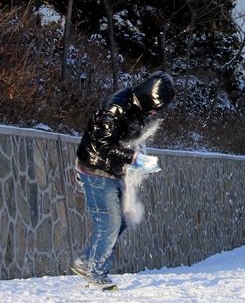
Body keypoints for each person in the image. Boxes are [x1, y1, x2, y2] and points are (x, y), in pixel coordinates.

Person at [71, 71, 176, 290]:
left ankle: (87, 261)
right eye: (156, 106)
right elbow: (102, 146)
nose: (156, 111)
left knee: (125, 218)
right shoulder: (116, 107)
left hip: (113, 170)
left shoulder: (140, 108)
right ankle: (96, 275)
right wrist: (134, 158)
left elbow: (131, 138)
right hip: (95, 169)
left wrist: (140, 155)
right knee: (109, 222)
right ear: (148, 96)